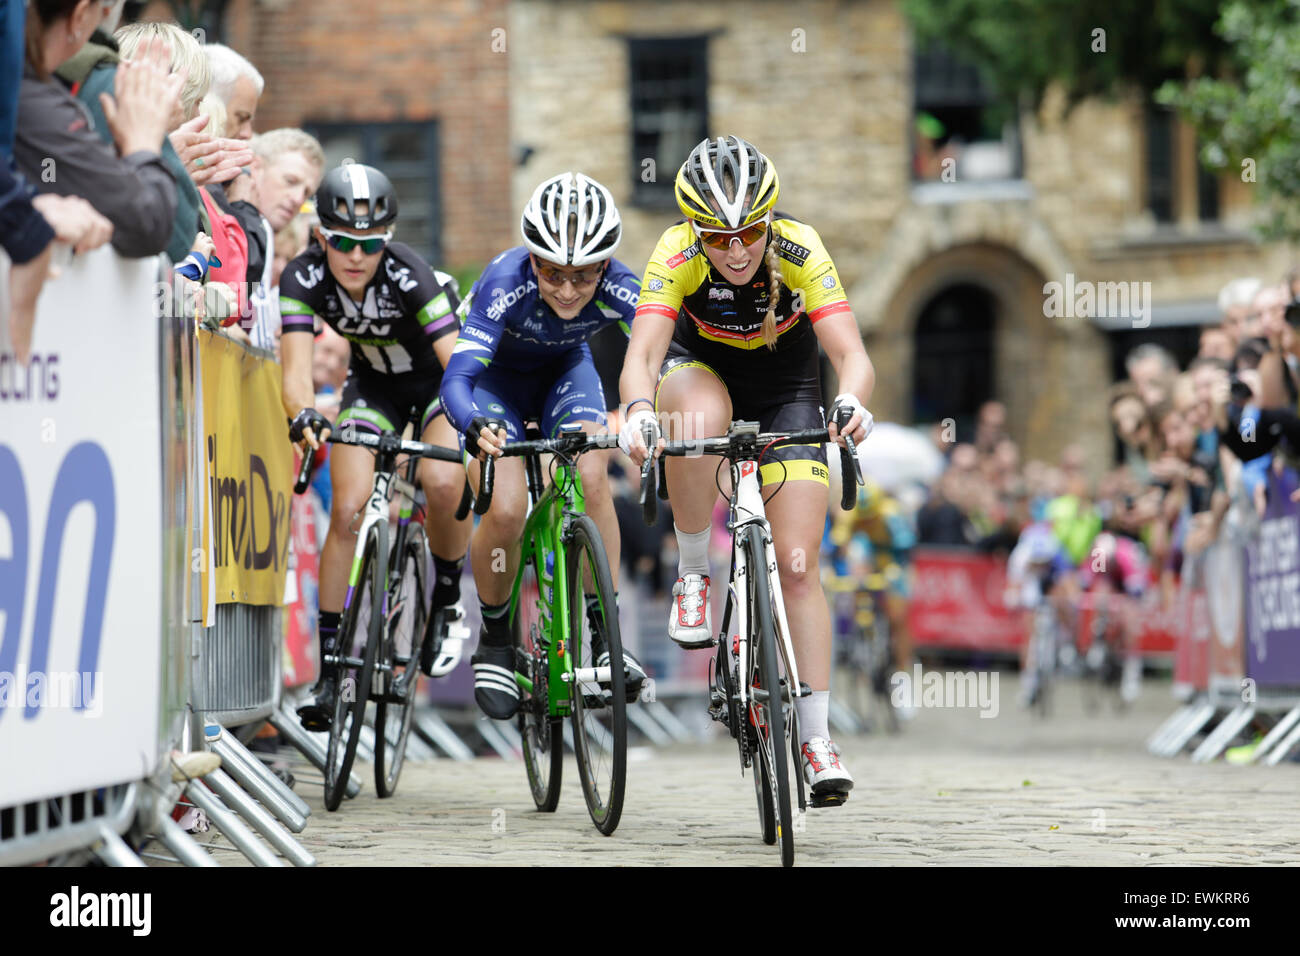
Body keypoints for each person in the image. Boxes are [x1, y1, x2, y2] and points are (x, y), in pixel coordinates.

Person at [620, 135, 873, 805]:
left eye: (749, 233)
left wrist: (851, 400)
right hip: (696, 374)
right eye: (717, 236)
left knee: (796, 564)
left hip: (788, 387)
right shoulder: (674, 253)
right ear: (694, 231)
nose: (736, 250)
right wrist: (639, 411)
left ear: (769, 222)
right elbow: (641, 354)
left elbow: (852, 354)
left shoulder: (799, 247)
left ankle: (816, 738)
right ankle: (696, 571)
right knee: (698, 418)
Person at [440, 171, 647, 720]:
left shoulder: (623, 283)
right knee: (505, 509)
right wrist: (470, 425)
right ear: (532, 261)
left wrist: (645, 413)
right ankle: (497, 638)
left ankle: (605, 635)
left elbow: (663, 352)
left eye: (584, 275)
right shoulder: (504, 281)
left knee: (591, 476)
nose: (568, 289)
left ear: (605, 266)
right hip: (494, 386)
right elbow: (456, 381)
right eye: (552, 272)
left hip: (565, 375)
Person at [279, 164, 470, 730]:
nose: (355, 256)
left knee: (440, 480)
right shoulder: (303, 277)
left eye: (369, 244)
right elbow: (295, 374)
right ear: (320, 237)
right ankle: (333, 665)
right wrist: (306, 411)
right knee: (348, 507)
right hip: (375, 387)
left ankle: (448, 597)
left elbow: (458, 369)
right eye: (341, 242)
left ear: (387, 240)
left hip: (437, 385)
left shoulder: (411, 277)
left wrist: (471, 427)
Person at [14, 0, 179, 258]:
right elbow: (147, 223)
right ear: (79, 16)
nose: (107, 17)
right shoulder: (30, 99)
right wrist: (143, 144)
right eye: (102, 10)